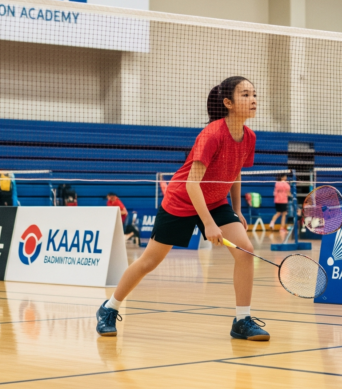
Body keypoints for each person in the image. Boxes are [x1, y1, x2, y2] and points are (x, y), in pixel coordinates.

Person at [95, 76, 267, 341]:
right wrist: (208, 223)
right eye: (245, 95)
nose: (253, 99)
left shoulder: (249, 137)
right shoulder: (212, 134)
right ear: (228, 103)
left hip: (216, 201)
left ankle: (242, 320)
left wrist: (236, 209)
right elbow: (191, 183)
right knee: (149, 262)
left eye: (254, 94)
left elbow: (235, 173)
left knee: (246, 251)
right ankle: (109, 308)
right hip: (182, 200)